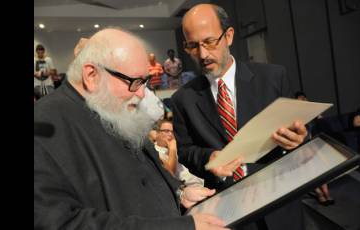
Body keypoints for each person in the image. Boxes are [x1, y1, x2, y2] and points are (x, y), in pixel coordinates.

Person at [34, 28, 229, 230]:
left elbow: (141, 175)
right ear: (92, 75)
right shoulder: (43, 127)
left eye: (144, 82)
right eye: (135, 82)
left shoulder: (108, 107)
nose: (142, 94)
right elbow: (61, 223)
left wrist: (179, 193)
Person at [171, 4, 307, 230]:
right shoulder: (182, 99)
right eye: (193, 46)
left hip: (280, 206)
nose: (203, 54)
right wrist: (209, 157)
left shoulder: (273, 78)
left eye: (209, 42)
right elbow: (185, 152)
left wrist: (299, 137)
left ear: (229, 36)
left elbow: (297, 130)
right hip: (227, 212)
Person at [295, 92, 334, 206]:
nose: (302, 102)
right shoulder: (297, 116)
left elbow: (322, 125)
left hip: (314, 145)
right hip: (302, 147)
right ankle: (319, 194)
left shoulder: (314, 113)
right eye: (299, 101)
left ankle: (326, 193)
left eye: (303, 99)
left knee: (320, 170)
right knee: (311, 172)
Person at [155, 119, 204, 186]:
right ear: (157, 133)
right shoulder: (155, 152)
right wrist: (172, 150)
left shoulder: (179, 144)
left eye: (172, 132)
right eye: (166, 131)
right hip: (192, 189)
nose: (170, 134)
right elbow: (170, 173)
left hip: (205, 180)